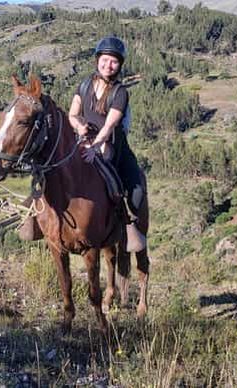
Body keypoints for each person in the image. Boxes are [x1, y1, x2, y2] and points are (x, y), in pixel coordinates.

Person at [67, 36, 146, 252]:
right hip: (82, 140)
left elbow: (110, 125)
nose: (108, 65)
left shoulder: (120, 92)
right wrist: (78, 127)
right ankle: (37, 214)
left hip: (111, 144)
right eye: (105, 60)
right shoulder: (83, 86)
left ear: (119, 65)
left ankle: (130, 224)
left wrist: (95, 147)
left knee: (136, 190)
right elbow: (73, 114)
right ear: (97, 59)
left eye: (114, 61)